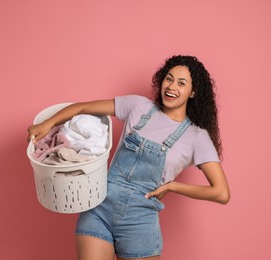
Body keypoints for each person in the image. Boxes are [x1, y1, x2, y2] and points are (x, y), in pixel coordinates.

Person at [27, 55, 230, 260]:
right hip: (98, 207)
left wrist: (173, 186)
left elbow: (221, 193)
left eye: (181, 83)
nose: (171, 86)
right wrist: (47, 124)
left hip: (139, 220)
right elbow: (81, 108)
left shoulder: (196, 137)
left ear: (193, 92)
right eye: (169, 78)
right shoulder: (139, 106)